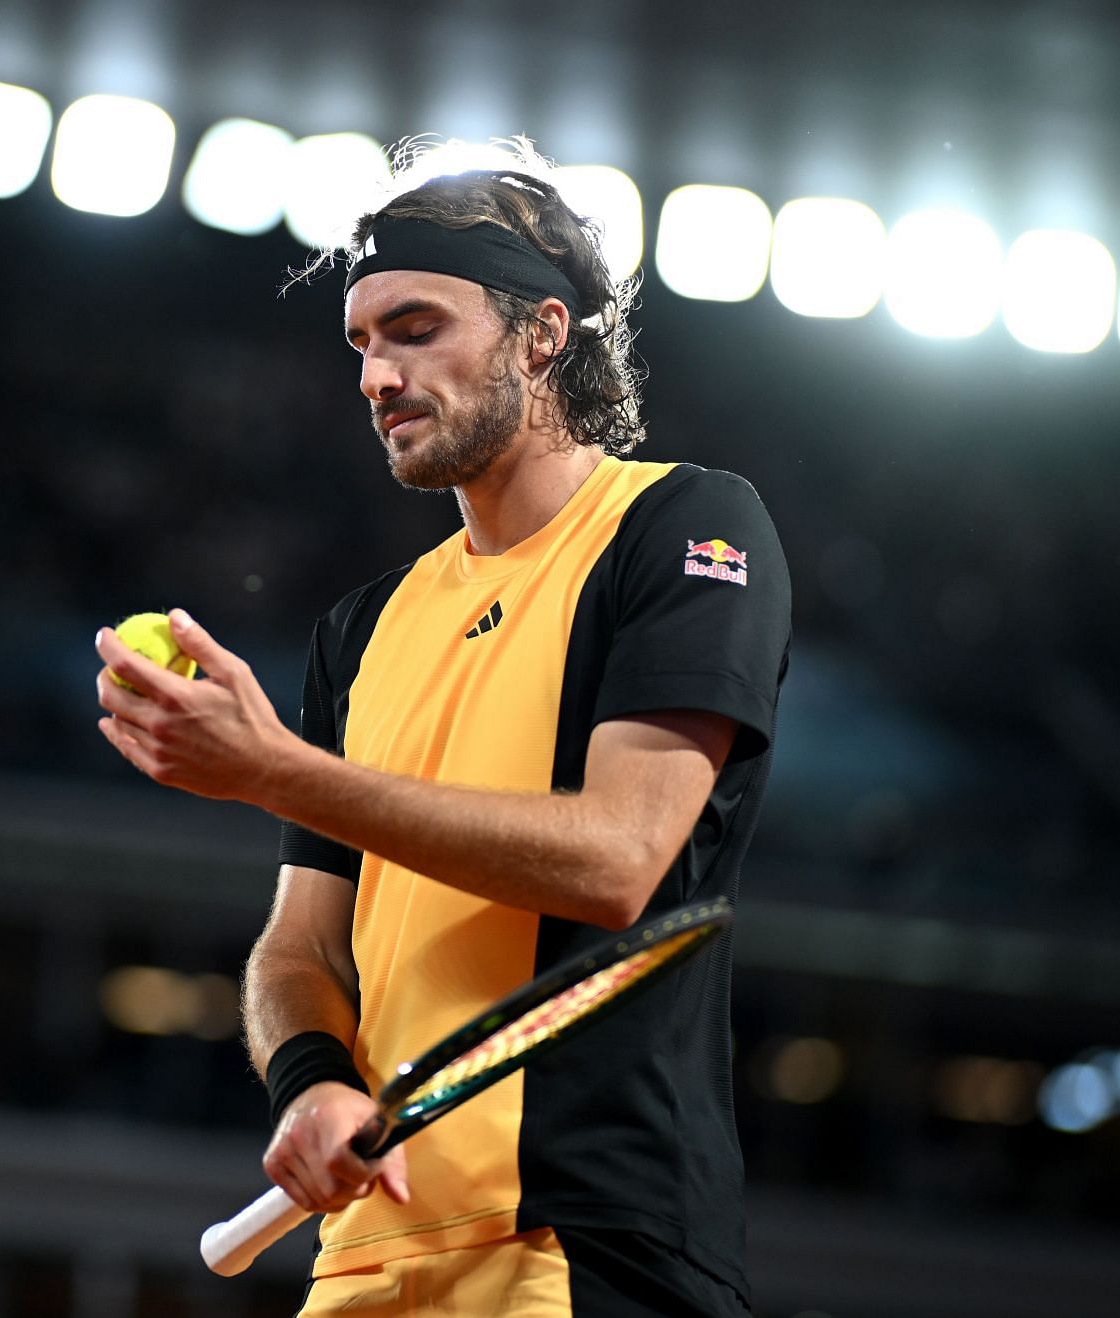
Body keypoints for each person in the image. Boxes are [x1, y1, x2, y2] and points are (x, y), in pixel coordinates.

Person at [94, 142, 790, 1316]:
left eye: (416, 329)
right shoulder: (361, 629)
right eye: (361, 342)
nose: (377, 374)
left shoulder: (685, 525)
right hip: (362, 1265)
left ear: (543, 333)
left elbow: (620, 860)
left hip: (578, 1248)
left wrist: (277, 772)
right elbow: (298, 951)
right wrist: (310, 1081)